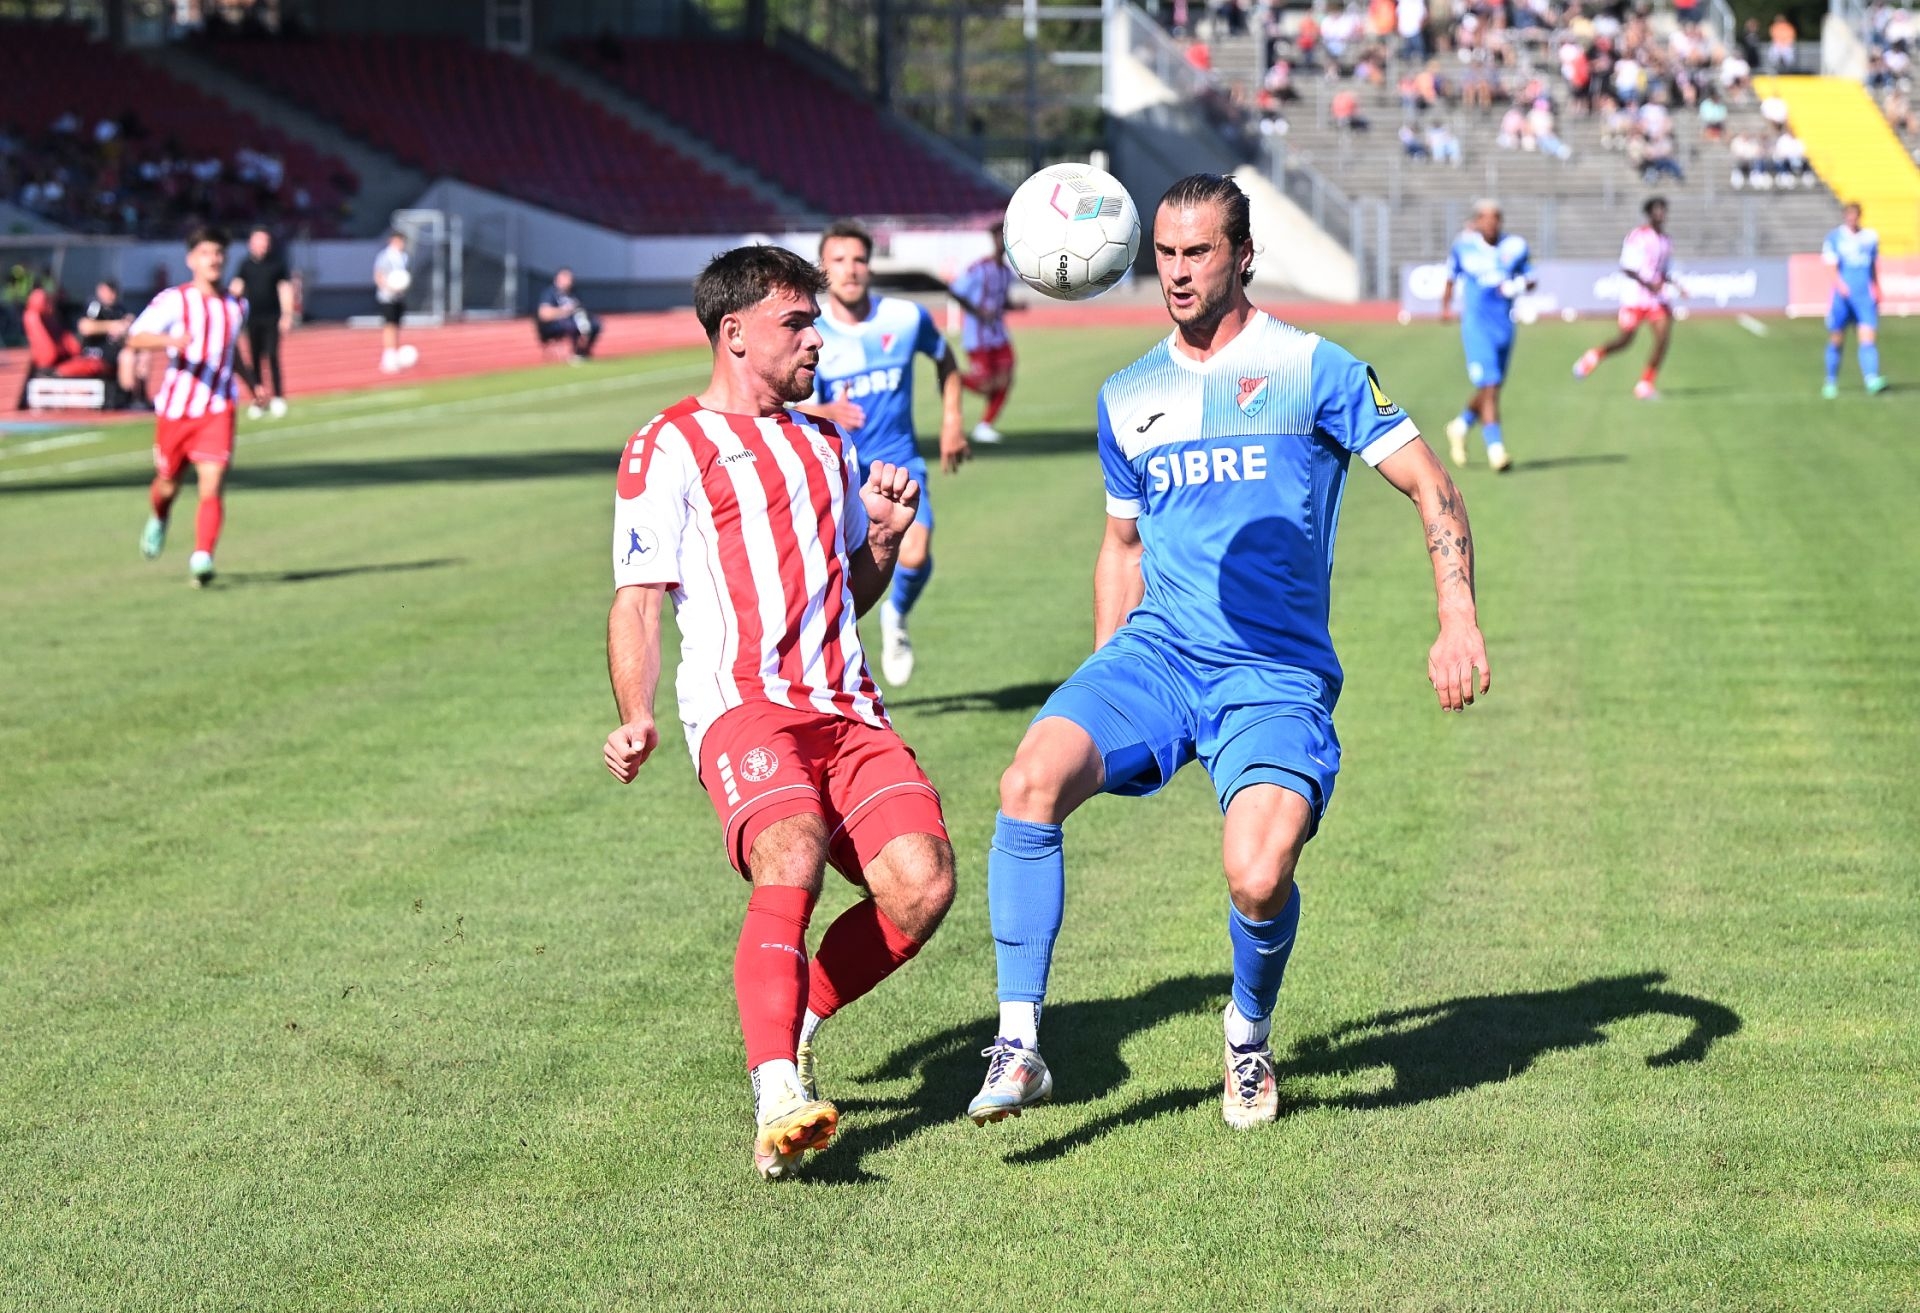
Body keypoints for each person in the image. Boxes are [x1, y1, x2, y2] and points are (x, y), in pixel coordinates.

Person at [965, 174, 1492, 1130]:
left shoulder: (1314, 367)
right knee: (1028, 780)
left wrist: (1457, 617)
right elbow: (1122, 546)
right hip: (1159, 656)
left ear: (1242, 256)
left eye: (1198, 252)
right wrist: (1102, 673)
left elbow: (1432, 485)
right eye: (1164, 253)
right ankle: (1019, 1044)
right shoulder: (1127, 394)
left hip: (1273, 675)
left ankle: (1247, 1036)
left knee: (1257, 874)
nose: (1177, 272)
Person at [602, 244, 956, 1180]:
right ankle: (776, 1092)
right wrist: (636, 713)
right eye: (796, 323)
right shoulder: (668, 445)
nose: (816, 339)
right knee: (791, 848)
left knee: (922, 886)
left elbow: (851, 594)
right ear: (734, 333)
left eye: (814, 322)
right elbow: (638, 598)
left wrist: (883, 541)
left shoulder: (830, 445)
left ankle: (794, 1015)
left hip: (847, 705)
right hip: (743, 705)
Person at [801, 219, 966, 688]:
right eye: (838, 260)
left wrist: (951, 421)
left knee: (915, 553)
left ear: (870, 267)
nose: (850, 269)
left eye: (859, 259)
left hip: (899, 462)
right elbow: (782, 403)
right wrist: (824, 409)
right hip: (841, 471)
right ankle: (823, 675)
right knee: (827, 580)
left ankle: (896, 616)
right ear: (823, 269)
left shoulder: (905, 318)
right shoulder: (811, 333)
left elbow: (946, 361)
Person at [128, 225, 247, 587]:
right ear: (191, 260)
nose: (214, 259)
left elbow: (230, 350)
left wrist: (252, 380)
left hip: (218, 407)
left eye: (219, 253)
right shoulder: (174, 300)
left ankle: (202, 556)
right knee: (168, 485)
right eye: (206, 253)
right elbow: (135, 336)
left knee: (212, 482)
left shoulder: (236, 305)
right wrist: (170, 340)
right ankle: (160, 516)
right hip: (177, 411)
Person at [1442, 200, 1533, 473]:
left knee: (1491, 387)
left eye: (1495, 218)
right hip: (1476, 327)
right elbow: (1450, 276)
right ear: (1477, 221)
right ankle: (1496, 450)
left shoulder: (1515, 246)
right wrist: (1445, 307)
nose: (1491, 223)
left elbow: (1530, 277)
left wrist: (1516, 286)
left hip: (1504, 326)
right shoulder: (1463, 247)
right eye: (1485, 218)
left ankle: (1460, 426)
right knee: (1490, 386)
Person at [1574, 196, 1678, 400]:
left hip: (1657, 300)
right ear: (1649, 213)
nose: (1661, 214)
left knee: (1663, 338)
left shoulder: (1666, 240)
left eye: (1663, 210)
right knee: (1625, 340)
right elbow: (1628, 267)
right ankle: (1594, 355)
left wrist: (1676, 285)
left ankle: (1645, 383)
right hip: (1635, 297)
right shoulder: (1637, 236)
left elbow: (1664, 271)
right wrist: (1649, 284)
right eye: (1657, 210)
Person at [949, 221, 1019, 445]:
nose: (1002, 243)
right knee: (986, 385)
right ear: (993, 240)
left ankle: (985, 425)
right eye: (999, 237)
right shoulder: (979, 268)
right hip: (977, 336)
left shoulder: (1006, 272)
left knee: (1006, 380)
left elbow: (1001, 301)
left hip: (999, 335)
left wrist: (1013, 306)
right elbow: (955, 291)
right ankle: (954, 379)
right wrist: (977, 311)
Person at [1821, 202, 1888, 398]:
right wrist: (1840, 286)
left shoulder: (1870, 237)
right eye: (1849, 215)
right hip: (1842, 297)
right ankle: (1830, 381)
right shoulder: (1834, 237)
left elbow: (1873, 265)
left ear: (1859, 216)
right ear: (1845, 216)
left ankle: (1871, 379)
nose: (1852, 218)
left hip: (1863, 296)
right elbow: (1831, 267)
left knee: (1868, 338)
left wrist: (1876, 287)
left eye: (1855, 215)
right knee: (1836, 339)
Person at [229, 225, 295, 418]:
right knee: (254, 359)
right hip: (252, 318)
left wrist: (287, 315)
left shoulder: (277, 263)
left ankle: (278, 397)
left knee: (272, 356)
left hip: (272, 317)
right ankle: (258, 399)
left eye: (265, 241)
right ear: (251, 243)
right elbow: (237, 287)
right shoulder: (245, 265)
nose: (262, 245)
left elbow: (285, 289)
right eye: (258, 241)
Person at [75, 278, 142, 407]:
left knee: (141, 355)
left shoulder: (118, 309)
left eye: (113, 292)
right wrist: (113, 325)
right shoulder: (95, 307)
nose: (111, 295)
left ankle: (139, 397)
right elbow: (85, 327)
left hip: (115, 349)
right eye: (108, 291)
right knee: (126, 356)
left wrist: (128, 324)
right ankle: (127, 398)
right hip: (96, 351)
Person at [373, 231, 417, 374]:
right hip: (387, 296)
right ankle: (388, 357)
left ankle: (393, 352)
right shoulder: (385, 256)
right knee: (389, 325)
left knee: (396, 326)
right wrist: (388, 287)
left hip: (399, 297)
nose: (402, 244)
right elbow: (378, 275)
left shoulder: (404, 257)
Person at [536, 266, 601, 361]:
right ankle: (574, 352)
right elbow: (544, 314)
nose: (569, 281)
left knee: (594, 324)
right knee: (573, 326)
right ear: (558, 279)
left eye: (570, 278)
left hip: (575, 320)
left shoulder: (573, 293)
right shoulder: (550, 293)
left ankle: (583, 351)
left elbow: (580, 308)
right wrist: (563, 311)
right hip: (556, 324)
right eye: (566, 278)